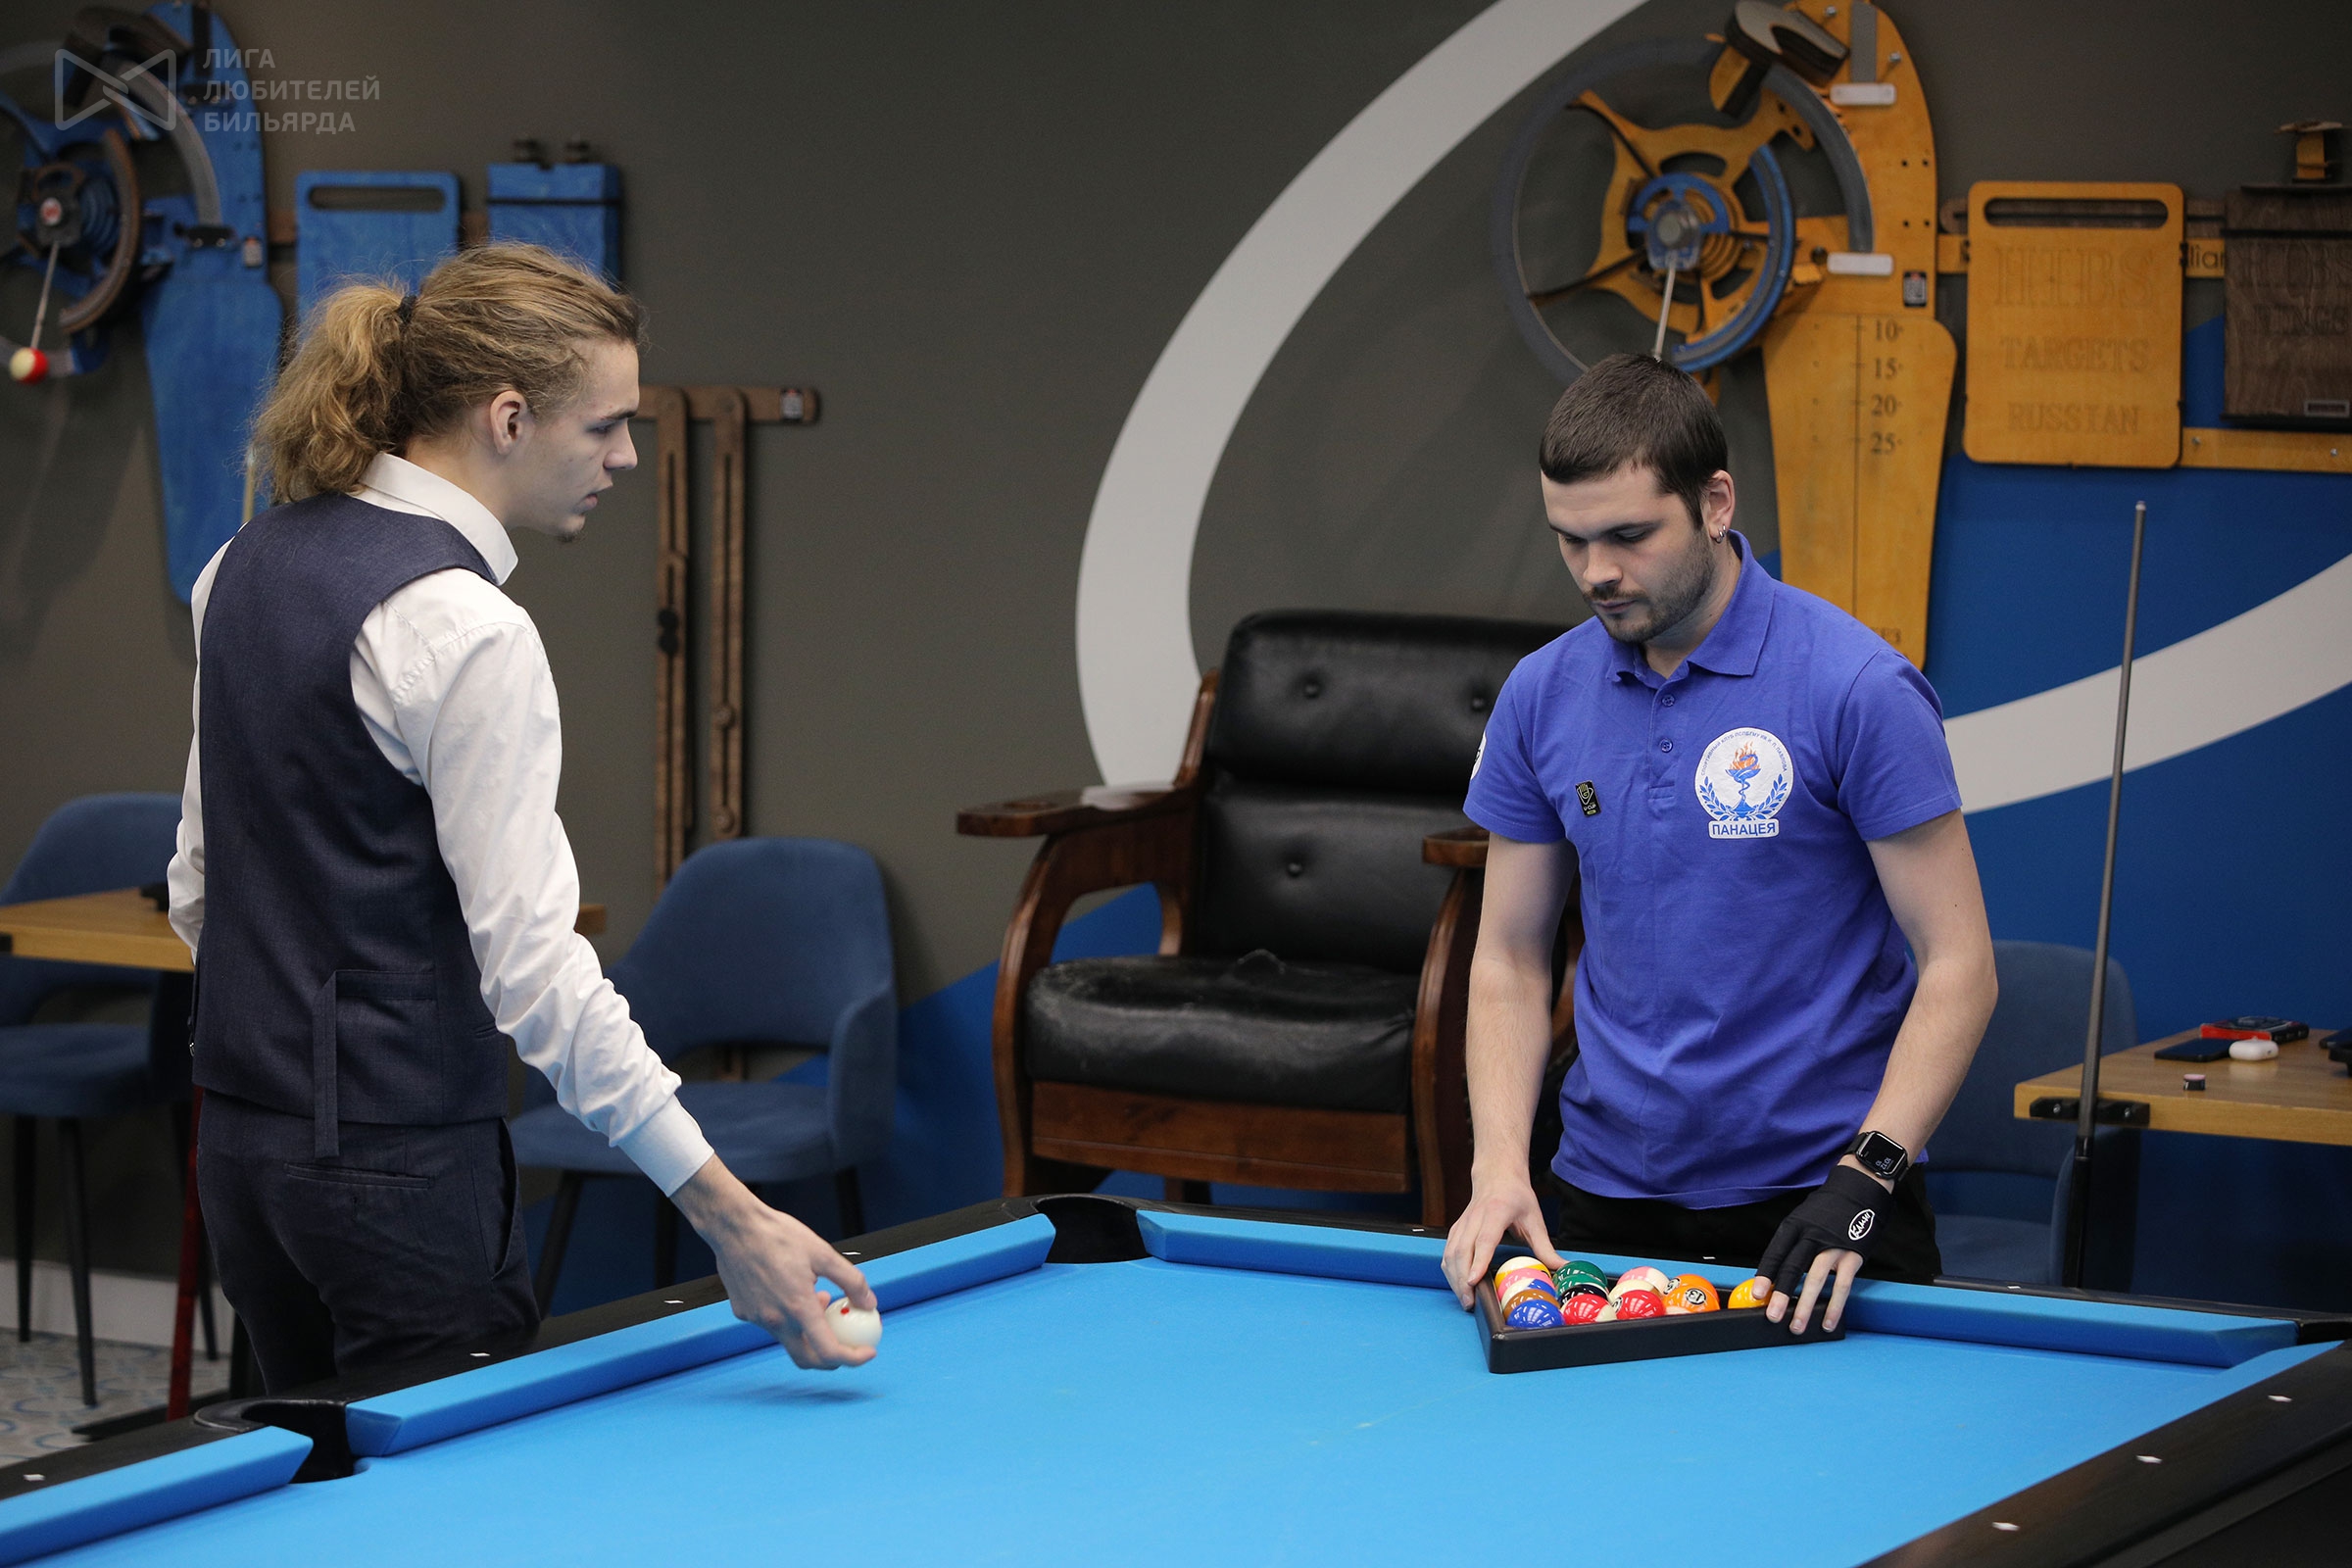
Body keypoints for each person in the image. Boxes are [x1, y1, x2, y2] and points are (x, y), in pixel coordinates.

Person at [167, 243, 875, 1391]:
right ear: (508, 418)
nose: (626, 454)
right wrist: (732, 1214)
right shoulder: (466, 626)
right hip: (401, 1180)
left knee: (314, 1478)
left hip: (243, 1157)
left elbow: (199, 888)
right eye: (605, 425)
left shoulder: (235, 567)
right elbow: (536, 975)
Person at [1439, 353, 1998, 1336]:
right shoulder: (1540, 694)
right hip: (1605, 1198)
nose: (1597, 571)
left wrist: (1866, 1178)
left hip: (1823, 1206)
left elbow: (1960, 967)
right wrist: (1498, 1170)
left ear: (1715, 503)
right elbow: (1510, 958)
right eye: (1571, 539)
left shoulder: (1856, 687)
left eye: (1629, 535)